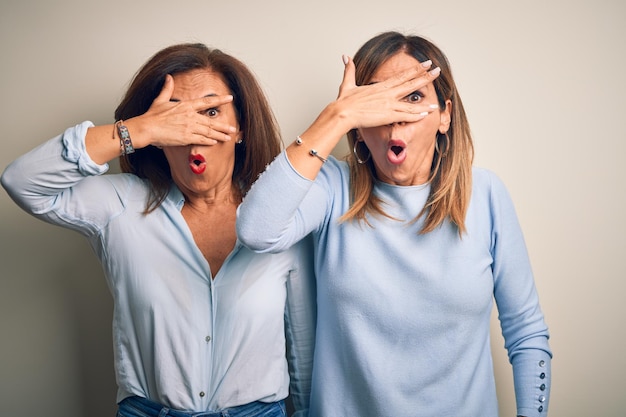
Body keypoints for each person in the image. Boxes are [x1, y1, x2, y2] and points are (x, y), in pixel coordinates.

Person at [237, 31, 552, 417]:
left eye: (414, 97)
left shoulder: (485, 194)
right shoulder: (333, 186)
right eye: (376, 100)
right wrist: (338, 114)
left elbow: (527, 334)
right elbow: (256, 230)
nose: (394, 116)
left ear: (445, 115)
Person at [1, 43, 315, 417]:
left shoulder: (283, 216)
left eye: (211, 111)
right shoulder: (120, 205)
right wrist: (140, 129)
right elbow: (22, 181)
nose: (193, 131)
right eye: (175, 115)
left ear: (241, 128)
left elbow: (303, 347)